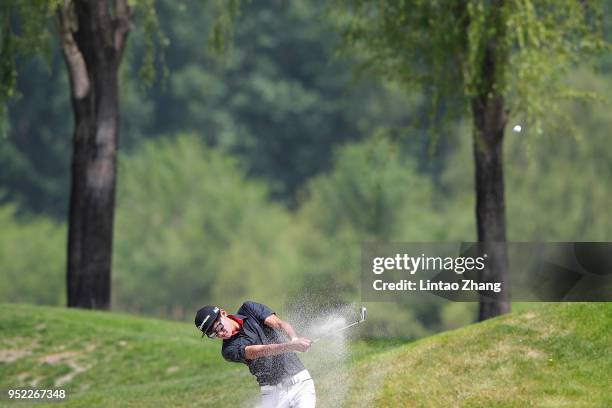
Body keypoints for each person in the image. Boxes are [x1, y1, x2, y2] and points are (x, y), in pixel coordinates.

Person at [195, 301, 316, 407]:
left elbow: (279, 324)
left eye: (219, 327)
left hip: (300, 382)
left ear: (223, 313)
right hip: (272, 394)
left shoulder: (249, 309)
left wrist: (294, 339)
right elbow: (262, 351)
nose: (220, 334)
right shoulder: (228, 350)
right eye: (213, 334)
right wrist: (290, 346)